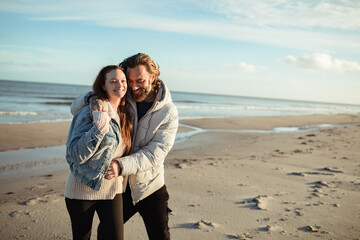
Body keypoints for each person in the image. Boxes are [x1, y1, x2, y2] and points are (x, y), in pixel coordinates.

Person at [71, 53, 178, 240]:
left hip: (150, 185)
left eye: (140, 81)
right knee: (106, 233)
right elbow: (74, 109)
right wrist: (92, 99)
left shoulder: (168, 111)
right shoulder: (124, 95)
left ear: (153, 77)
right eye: (130, 81)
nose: (134, 87)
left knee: (160, 236)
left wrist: (120, 166)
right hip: (122, 186)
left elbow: (155, 154)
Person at [65, 65, 132, 240]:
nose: (120, 85)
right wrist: (99, 128)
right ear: (103, 85)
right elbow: (76, 154)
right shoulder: (91, 111)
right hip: (81, 190)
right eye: (113, 81)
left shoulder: (125, 113)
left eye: (123, 81)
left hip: (112, 191)